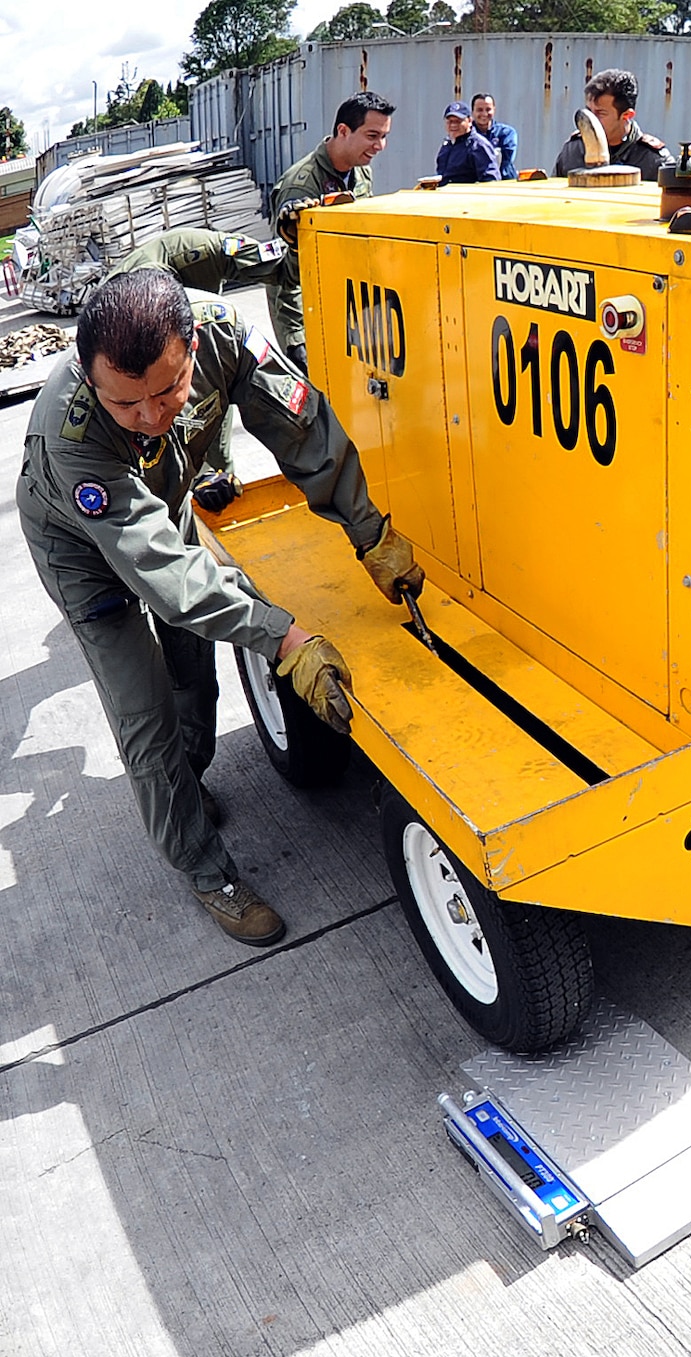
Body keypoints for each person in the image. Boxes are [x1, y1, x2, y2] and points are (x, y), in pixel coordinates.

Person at [16, 269, 423, 947]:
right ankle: (204, 869)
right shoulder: (73, 430)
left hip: (160, 508)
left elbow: (304, 431)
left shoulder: (224, 337)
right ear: (91, 381)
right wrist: (285, 638)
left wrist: (369, 532)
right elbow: (169, 579)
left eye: (169, 391)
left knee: (192, 673)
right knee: (144, 713)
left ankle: (190, 778)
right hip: (80, 553)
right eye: (126, 404)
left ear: (194, 346)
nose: (151, 417)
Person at [108, 227, 292, 510]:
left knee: (217, 442)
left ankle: (223, 494)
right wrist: (199, 475)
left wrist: (295, 240)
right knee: (163, 445)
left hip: (204, 347)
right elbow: (151, 420)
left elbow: (278, 265)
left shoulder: (203, 250)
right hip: (157, 379)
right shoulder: (117, 318)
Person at [270, 92, 395, 372]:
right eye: (372, 135)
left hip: (347, 308)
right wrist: (296, 341)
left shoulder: (361, 173)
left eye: (384, 137)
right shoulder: (300, 186)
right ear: (343, 131)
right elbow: (283, 272)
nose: (380, 146)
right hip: (311, 321)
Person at [552, 69, 665, 180]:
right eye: (588, 111)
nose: (591, 120)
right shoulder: (573, 150)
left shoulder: (654, 161)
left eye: (600, 113)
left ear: (627, 115)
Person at [436, 100, 501, 185]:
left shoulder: (478, 145)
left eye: (458, 121)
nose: (453, 125)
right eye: (450, 121)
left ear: (469, 121)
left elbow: (490, 180)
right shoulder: (447, 144)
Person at [471, 93, 519, 180]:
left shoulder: (506, 133)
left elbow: (506, 163)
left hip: (502, 181)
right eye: (479, 110)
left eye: (488, 109)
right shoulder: (465, 135)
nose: (484, 114)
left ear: (494, 110)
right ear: (472, 112)